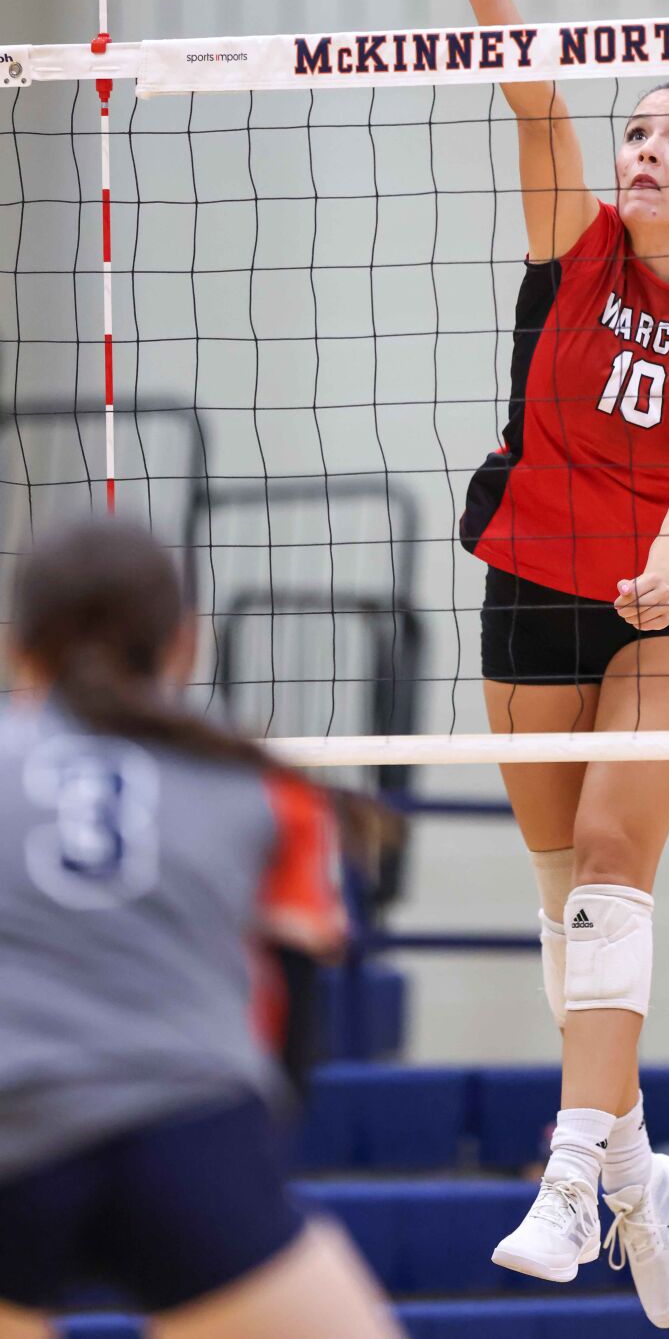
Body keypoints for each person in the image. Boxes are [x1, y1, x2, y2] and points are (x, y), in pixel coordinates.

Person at [411, 0, 669, 1327]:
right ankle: (644, 1173)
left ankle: (575, 1168)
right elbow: (532, 109)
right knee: (561, 903)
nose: (645, 148)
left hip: (665, 615)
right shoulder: (575, 251)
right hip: (529, 590)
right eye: (636, 129)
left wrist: (665, 556)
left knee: (614, 869)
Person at [0, 517, 404, 1339]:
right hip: (186, 1136)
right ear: (185, 644)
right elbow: (293, 1015)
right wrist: (242, 1184)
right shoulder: (258, 782)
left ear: (16, 646)